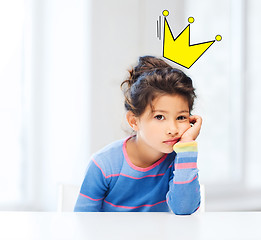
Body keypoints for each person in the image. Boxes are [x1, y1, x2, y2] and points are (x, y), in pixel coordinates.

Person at [74, 56, 202, 215]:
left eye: (181, 117)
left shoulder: (179, 159)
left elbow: (184, 209)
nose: (173, 129)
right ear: (134, 121)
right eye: (159, 117)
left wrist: (187, 145)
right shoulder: (104, 164)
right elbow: (81, 221)